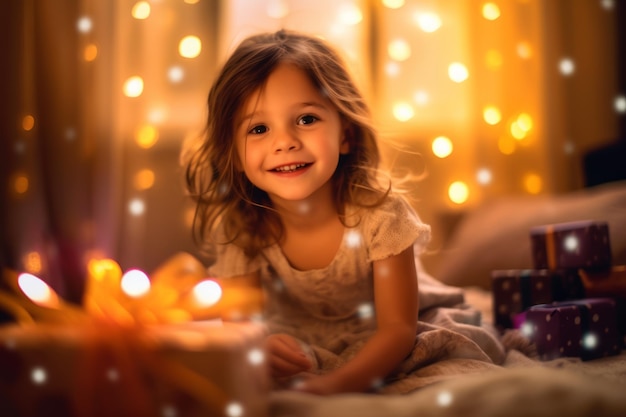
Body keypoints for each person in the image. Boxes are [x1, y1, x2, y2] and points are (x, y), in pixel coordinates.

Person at [182, 29, 431, 395]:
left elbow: (398, 331)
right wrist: (259, 347)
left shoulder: (382, 216)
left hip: (383, 340)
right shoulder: (241, 227)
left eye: (306, 119)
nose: (285, 142)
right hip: (297, 340)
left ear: (345, 134)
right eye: (259, 128)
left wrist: (335, 385)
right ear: (234, 154)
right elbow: (240, 325)